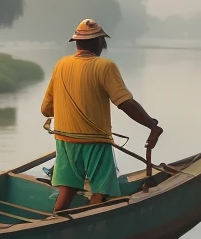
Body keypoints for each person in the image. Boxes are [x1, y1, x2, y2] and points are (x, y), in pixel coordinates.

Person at [40, 19, 163, 212]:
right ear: (99, 43)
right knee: (102, 191)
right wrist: (151, 125)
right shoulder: (105, 66)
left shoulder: (61, 64)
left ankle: (56, 219)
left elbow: (46, 109)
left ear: (77, 43)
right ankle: (89, 223)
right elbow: (125, 102)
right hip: (95, 141)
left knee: (68, 189)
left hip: (64, 139)